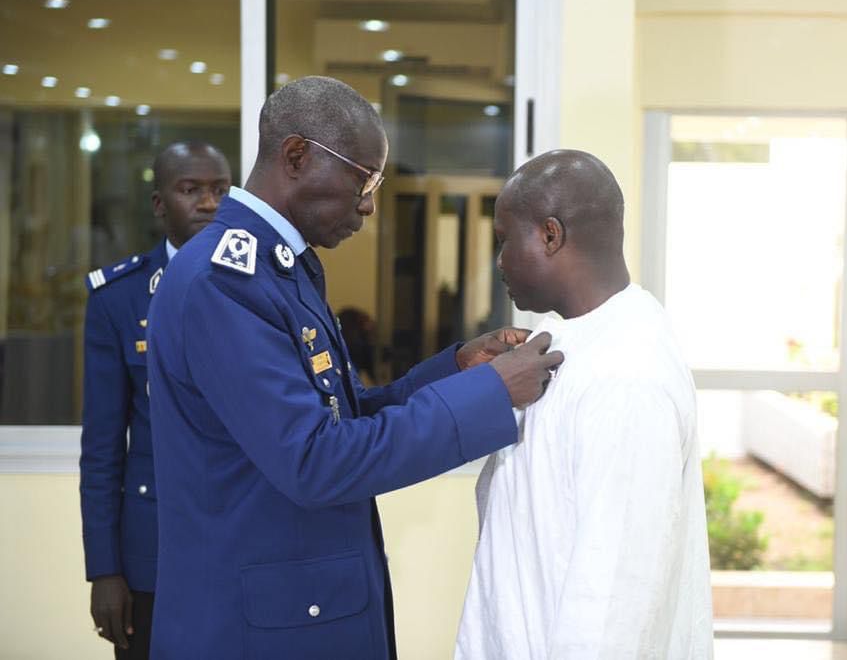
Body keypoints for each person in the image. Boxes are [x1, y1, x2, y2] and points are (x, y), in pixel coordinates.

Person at [145, 76, 562, 660]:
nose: (369, 203)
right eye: (362, 178)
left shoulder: (281, 267)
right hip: (256, 631)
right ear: (296, 156)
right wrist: (492, 394)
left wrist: (460, 371)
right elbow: (314, 458)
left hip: (295, 613)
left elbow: (339, 417)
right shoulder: (225, 282)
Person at [456, 150, 713, 659]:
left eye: (506, 241)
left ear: (551, 235)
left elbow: (614, 599)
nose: (500, 261)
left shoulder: (628, 375)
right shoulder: (558, 342)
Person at [80, 141, 231, 659]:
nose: (209, 203)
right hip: (153, 553)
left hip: (242, 541)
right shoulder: (118, 299)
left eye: (219, 190)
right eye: (191, 190)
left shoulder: (258, 285)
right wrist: (105, 569)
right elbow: (102, 448)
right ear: (160, 203)